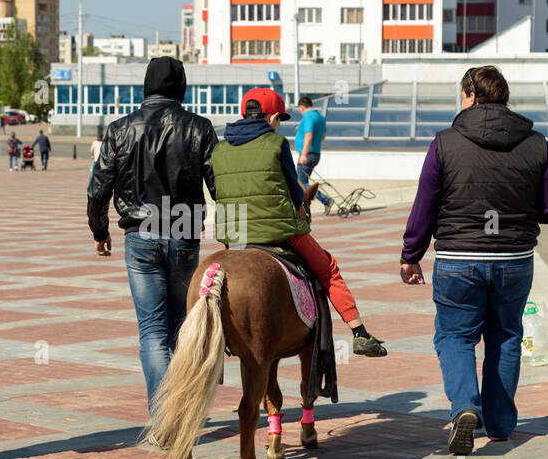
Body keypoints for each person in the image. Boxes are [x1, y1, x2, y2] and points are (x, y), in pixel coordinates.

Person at [400, 65, 548, 455]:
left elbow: (425, 204)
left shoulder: (445, 143)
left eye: (461, 96)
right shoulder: (536, 143)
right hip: (514, 258)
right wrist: (524, 211)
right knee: (506, 337)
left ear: (471, 96)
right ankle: (500, 424)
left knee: (455, 336)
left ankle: (464, 409)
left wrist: (412, 254)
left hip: (458, 259)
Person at [212, 88, 386, 357]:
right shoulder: (275, 144)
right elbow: (295, 192)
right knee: (329, 269)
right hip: (278, 229)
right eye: (279, 119)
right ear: (270, 118)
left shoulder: (220, 148)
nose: (278, 125)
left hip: (233, 235)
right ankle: (359, 333)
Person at [88, 56, 218, 414]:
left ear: (147, 86)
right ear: (181, 88)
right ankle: (182, 410)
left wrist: (100, 231)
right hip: (184, 230)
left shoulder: (120, 129)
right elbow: (218, 184)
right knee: (180, 327)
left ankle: (164, 417)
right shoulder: (200, 127)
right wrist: (234, 234)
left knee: (152, 332)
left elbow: (98, 188)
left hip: (141, 232)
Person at [294, 96, 333, 216]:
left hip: (307, 154)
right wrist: (300, 129)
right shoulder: (320, 117)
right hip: (316, 153)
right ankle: (305, 205)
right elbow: (323, 136)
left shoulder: (308, 116)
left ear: (301, 107)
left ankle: (326, 200)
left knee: (300, 182)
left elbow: (309, 135)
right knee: (303, 182)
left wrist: (304, 154)